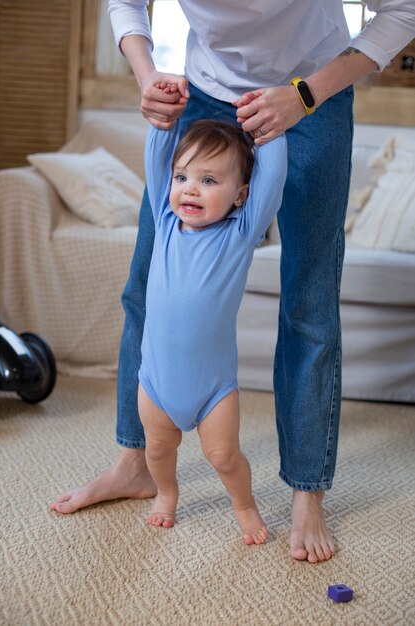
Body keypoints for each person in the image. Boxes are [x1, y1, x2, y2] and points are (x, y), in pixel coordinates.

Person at [51, 0, 415, 563]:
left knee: (309, 305)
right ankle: (136, 464)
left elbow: (403, 11)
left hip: (312, 90)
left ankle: (306, 491)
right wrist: (147, 76)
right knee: (145, 284)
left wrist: (305, 94)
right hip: (204, 91)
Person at [137, 87, 286, 543]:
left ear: (240, 195)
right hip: (156, 380)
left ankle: (243, 504)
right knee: (159, 449)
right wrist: (164, 124)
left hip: (213, 387)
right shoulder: (164, 222)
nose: (189, 189)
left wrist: (269, 133)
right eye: (183, 177)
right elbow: (157, 160)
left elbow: (273, 178)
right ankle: (166, 494)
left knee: (223, 456)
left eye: (208, 180)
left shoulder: (240, 234)